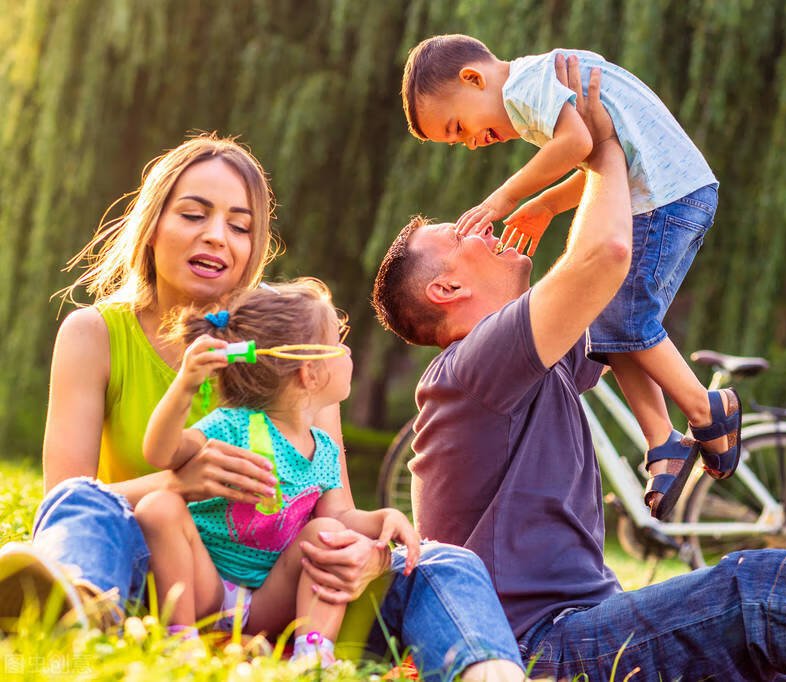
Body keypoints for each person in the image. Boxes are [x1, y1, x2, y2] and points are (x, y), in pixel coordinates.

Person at [374, 57, 786, 680]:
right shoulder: (469, 370)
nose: (484, 228)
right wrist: (601, 145)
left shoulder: (532, 362)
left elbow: (613, 307)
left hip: (592, 625)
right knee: (767, 590)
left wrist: (583, 173)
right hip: (541, 651)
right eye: (461, 232)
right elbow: (606, 255)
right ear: (445, 289)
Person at [0, 134, 524, 681]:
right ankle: (72, 615)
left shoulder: (293, 345)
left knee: (444, 563)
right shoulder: (95, 333)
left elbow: (332, 511)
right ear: (152, 225)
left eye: (240, 225)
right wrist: (177, 484)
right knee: (83, 507)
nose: (216, 236)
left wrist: (366, 554)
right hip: (149, 574)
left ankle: (488, 673)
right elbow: (68, 499)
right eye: (194, 214)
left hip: (282, 598)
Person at [402, 34, 737, 520]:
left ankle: (707, 410)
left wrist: (505, 198)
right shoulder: (539, 93)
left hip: (667, 198)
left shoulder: (528, 85)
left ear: (473, 79)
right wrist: (545, 205)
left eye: (459, 127)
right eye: (459, 142)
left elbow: (581, 144)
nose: (472, 143)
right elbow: (600, 156)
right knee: (608, 324)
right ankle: (663, 441)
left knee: (628, 318)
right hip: (664, 193)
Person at [136, 278, 421, 667]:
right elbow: (160, 452)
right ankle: (179, 639)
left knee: (329, 534)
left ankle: (312, 653)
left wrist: (382, 518)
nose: (348, 351)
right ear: (309, 372)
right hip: (208, 590)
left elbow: (339, 517)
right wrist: (185, 386)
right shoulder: (234, 426)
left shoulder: (322, 449)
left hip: (271, 602)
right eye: (339, 344)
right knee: (157, 507)